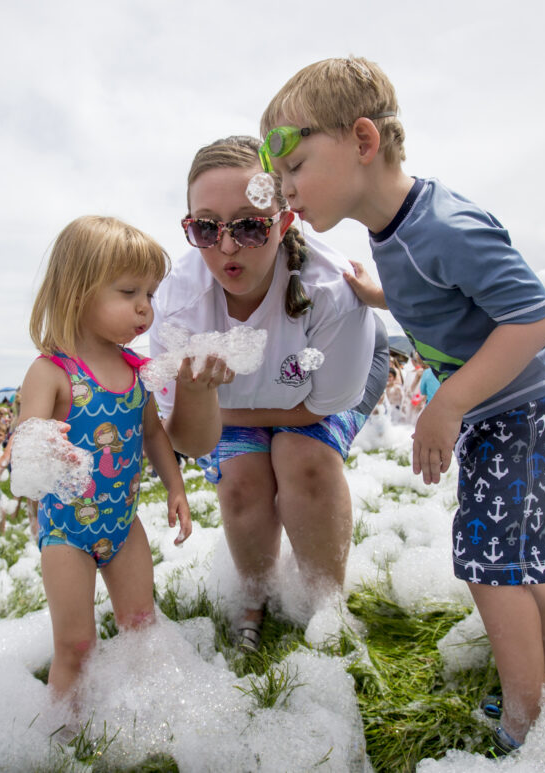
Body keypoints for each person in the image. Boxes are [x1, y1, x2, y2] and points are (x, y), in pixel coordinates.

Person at [260, 56, 545, 750]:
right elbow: (439, 296)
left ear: (363, 142)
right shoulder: (395, 229)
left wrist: (449, 401)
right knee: (516, 556)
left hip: (526, 405)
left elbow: (533, 319)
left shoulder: (444, 226)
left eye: (295, 167)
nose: (285, 191)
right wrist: (379, 294)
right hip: (511, 406)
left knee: (490, 561)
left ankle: (530, 728)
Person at [153, 135, 388, 652]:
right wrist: (203, 403)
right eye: (206, 228)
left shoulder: (330, 292)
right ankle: (253, 601)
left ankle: (327, 606)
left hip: (331, 383)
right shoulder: (175, 307)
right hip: (266, 394)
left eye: (250, 226)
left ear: (283, 224)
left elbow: (323, 405)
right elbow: (188, 441)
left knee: (300, 455)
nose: (228, 247)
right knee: (240, 481)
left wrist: (216, 407)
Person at [15, 214, 192, 703]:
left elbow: (153, 433)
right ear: (77, 292)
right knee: (75, 644)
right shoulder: (51, 373)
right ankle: (60, 734)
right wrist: (43, 447)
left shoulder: (137, 371)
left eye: (151, 294)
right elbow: (27, 442)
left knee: (141, 624)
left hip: (123, 525)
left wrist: (176, 487)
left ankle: (142, 711)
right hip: (67, 532)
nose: (144, 308)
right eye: (129, 292)